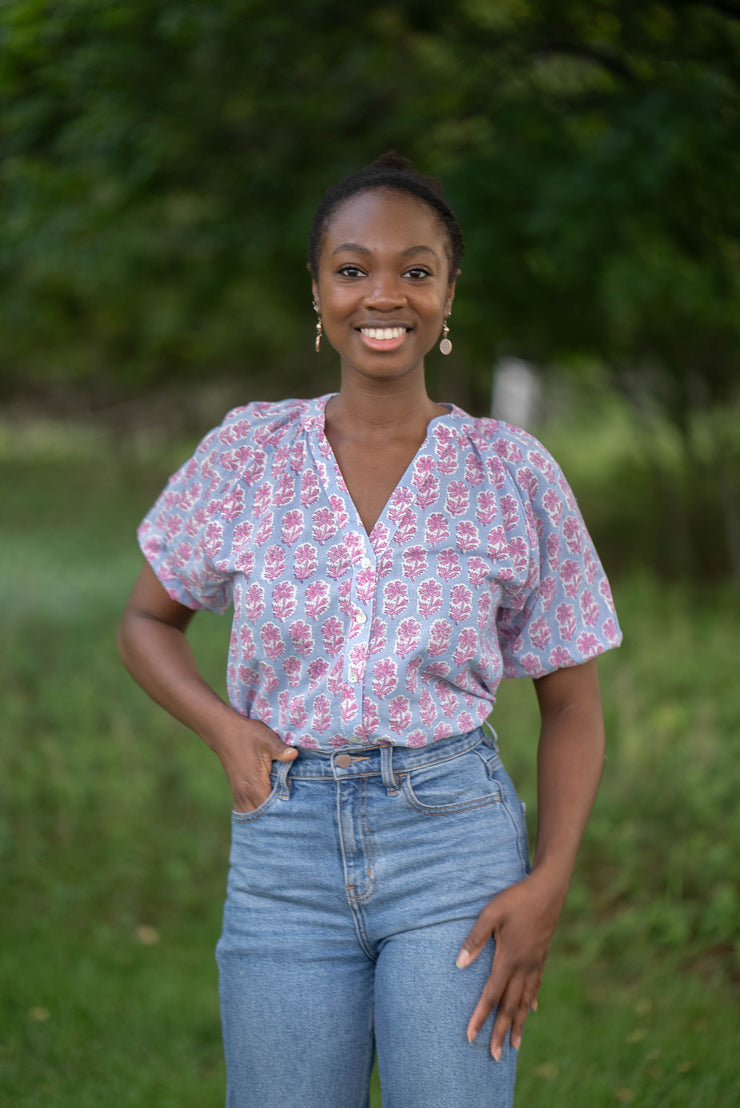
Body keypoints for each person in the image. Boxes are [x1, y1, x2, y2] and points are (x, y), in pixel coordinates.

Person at [118, 154, 622, 1108]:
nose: (383, 294)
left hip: (453, 851)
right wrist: (223, 727)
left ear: (447, 292)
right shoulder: (249, 454)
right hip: (284, 853)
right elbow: (147, 621)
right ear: (317, 290)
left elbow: (573, 703)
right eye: (353, 269)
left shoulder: (509, 473)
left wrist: (549, 883)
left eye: (415, 269)